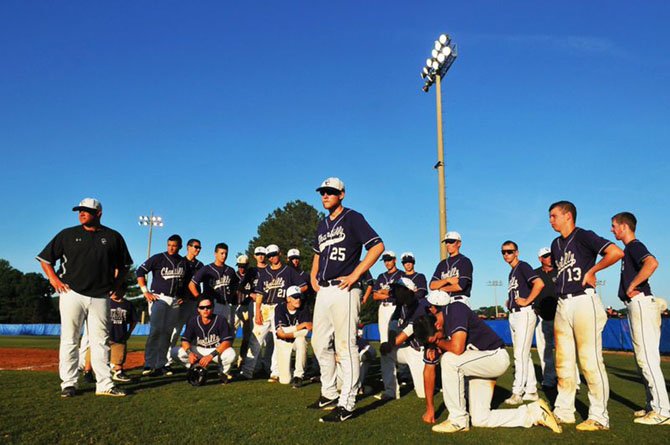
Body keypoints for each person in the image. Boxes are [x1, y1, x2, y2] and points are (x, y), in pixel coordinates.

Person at [36, 197, 132, 397]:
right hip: (72, 293)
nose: (82, 213)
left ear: (99, 213)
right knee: (70, 339)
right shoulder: (67, 234)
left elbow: (124, 265)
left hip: (101, 296)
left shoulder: (113, 237)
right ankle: (69, 383)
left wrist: (116, 285)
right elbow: (45, 259)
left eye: (86, 210)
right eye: (80, 210)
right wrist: (54, 279)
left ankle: (104, 384)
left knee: (100, 341)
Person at [308, 177, 384, 423]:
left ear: (342, 194)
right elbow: (318, 255)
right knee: (319, 343)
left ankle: (347, 403)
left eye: (331, 192)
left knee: (346, 346)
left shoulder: (353, 217)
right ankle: (329, 393)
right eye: (323, 192)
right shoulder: (321, 225)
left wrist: (356, 274)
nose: (325, 196)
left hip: (345, 288)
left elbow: (377, 246)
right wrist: (312, 276)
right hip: (325, 290)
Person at [414, 308, 562, 434]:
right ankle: (534, 413)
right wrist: (430, 408)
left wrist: (439, 342)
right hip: (479, 364)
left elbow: (457, 348)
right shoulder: (438, 327)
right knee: (480, 419)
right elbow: (430, 368)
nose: (434, 342)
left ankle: (457, 420)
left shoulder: (454, 310)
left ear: (437, 324)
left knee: (449, 360)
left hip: (495, 357)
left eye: (434, 339)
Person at [548, 201, 623, 431]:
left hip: (583, 300)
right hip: (563, 304)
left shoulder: (583, 235)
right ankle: (564, 411)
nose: (550, 220)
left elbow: (616, 252)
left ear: (568, 216)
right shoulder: (555, 243)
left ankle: (599, 416)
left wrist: (593, 271)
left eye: (554, 216)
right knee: (564, 362)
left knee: (590, 361)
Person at [611, 212, 670, 425]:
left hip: (642, 303)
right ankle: (652, 405)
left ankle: (663, 411)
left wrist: (633, 285)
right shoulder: (629, 249)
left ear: (624, 226)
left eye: (614, 226)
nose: (612, 230)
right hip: (637, 305)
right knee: (641, 359)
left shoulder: (634, 245)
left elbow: (652, 263)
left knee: (647, 359)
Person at [242, 244, 307, 381]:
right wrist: (258, 312)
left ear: (280, 254)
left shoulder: (288, 271)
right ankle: (247, 371)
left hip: (281, 306)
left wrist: (291, 295)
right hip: (265, 307)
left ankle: (276, 372)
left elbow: (304, 286)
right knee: (256, 339)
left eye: (274, 254)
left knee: (279, 340)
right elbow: (259, 294)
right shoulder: (265, 272)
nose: (272, 258)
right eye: (269, 256)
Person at [137, 234, 188, 377]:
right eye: (169, 245)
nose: (171, 248)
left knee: (167, 333)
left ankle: (161, 364)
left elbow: (187, 281)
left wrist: (183, 296)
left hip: (175, 300)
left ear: (180, 246)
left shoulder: (183, 262)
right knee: (155, 331)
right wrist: (145, 291)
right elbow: (140, 271)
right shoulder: (158, 257)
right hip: (159, 297)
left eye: (174, 245)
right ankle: (149, 363)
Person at [500, 240, 544, 405]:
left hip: (524, 314)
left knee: (519, 354)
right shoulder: (512, 272)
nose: (506, 255)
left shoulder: (523, 266)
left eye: (509, 251)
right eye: (503, 252)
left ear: (516, 252)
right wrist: (510, 301)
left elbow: (539, 284)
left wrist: (527, 301)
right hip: (514, 314)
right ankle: (531, 390)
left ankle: (517, 393)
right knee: (524, 354)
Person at [378, 277, 428, 400]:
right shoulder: (400, 306)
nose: (396, 291)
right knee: (385, 353)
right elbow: (393, 327)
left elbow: (406, 332)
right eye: (396, 289)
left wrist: (390, 344)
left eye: (399, 289)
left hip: (419, 352)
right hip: (407, 349)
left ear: (409, 291)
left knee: (423, 394)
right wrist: (388, 344)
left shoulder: (419, 305)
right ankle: (391, 391)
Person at [170, 297, 236, 383]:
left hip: (215, 351)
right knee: (175, 352)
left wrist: (211, 355)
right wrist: (190, 353)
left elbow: (227, 342)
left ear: (213, 308)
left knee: (231, 354)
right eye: (202, 307)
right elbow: (185, 340)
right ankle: (197, 367)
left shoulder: (220, 320)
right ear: (198, 309)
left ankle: (223, 373)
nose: (205, 309)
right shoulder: (193, 321)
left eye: (208, 307)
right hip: (198, 350)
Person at [165, 238, 204, 370]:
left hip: (195, 303)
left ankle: (192, 360)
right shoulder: (181, 262)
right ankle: (167, 361)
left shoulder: (200, 265)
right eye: (195, 247)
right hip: (181, 302)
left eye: (199, 247)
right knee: (174, 331)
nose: (197, 249)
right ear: (188, 247)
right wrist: (180, 296)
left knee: (194, 333)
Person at [373, 250, 404, 399]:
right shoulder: (381, 276)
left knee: (397, 343)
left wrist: (385, 292)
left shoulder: (401, 275)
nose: (387, 262)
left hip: (395, 308)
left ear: (395, 260)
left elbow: (399, 294)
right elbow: (374, 295)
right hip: (383, 308)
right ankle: (390, 388)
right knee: (384, 344)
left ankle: (403, 375)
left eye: (389, 259)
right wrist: (388, 293)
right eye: (385, 260)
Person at [189, 243, 239, 333]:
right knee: (211, 330)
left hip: (226, 304)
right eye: (222, 253)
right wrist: (200, 299)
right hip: (212, 304)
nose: (224, 256)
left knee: (226, 330)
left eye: (226, 253)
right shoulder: (207, 269)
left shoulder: (230, 270)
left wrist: (231, 295)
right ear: (215, 254)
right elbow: (192, 285)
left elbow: (235, 285)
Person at [274, 285, 312, 388]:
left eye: (299, 297)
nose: (298, 299)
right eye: (295, 297)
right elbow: (280, 331)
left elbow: (306, 331)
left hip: (293, 338)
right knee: (285, 380)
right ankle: (290, 370)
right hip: (283, 342)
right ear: (288, 299)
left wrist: (287, 334)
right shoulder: (280, 308)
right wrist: (301, 326)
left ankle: (298, 375)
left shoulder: (304, 307)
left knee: (301, 341)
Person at [429, 231, 473, 307]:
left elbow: (460, 286)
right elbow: (432, 285)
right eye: (446, 242)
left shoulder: (465, 261)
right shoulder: (442, 264)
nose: (448, 245)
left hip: (459, 301)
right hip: (443, 302)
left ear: (459, 244)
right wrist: (447, 280)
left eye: (451, 242)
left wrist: (441, 288)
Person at [108, 285, 138, 382]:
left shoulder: (127, 304)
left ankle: (118, 372)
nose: (114, 292)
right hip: (105, 334)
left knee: (119, 356)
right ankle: (88, 371)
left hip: (120, 335)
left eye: (117, 289)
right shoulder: (106, 302)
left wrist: (129, 332)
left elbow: (134, 320)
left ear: (123, 291)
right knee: (95, 354)